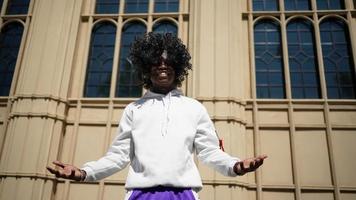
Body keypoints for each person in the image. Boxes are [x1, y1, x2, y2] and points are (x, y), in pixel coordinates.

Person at [47, 32, 267, 200]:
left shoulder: (194, 108)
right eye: (156, 61)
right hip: (140, 195)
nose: (162, 65)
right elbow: (119, 156)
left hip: (183, 195)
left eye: (168, 61)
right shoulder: (134, 109)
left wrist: (235, 165)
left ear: (178, 67)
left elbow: (209, 152)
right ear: (146, 68)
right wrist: (85, 172)